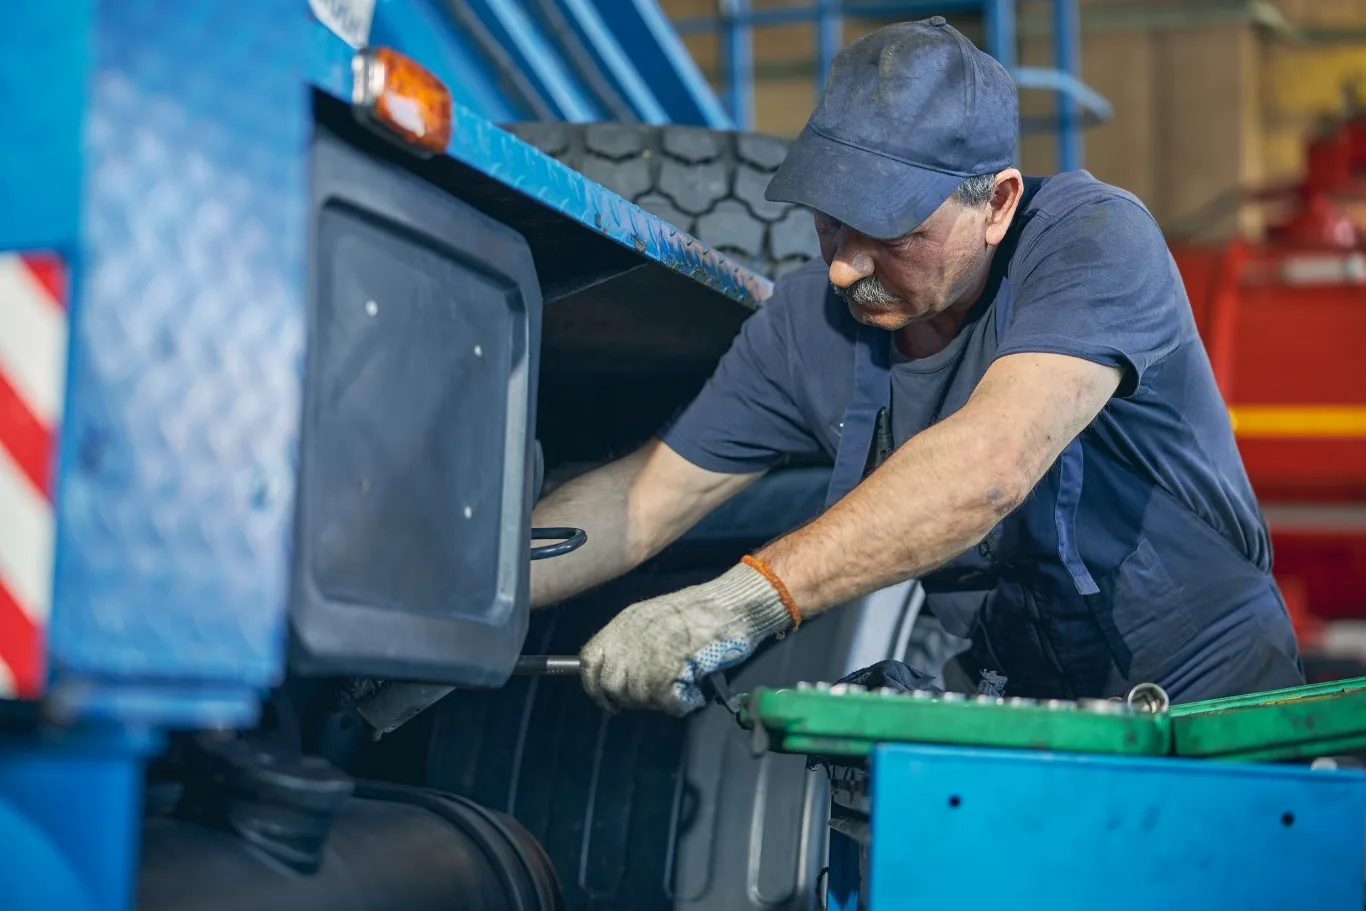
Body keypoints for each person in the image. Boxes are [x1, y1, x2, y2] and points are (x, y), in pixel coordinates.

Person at [529, 17, 1305, 716]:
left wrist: (737, 604)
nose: (842, 268)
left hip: (1214, 703)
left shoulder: (1092, 241)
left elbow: (989, 467)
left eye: (889, 232)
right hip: (1029, 711)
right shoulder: (808, 325)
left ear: (997, 203)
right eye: (830, 221)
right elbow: (643, 497)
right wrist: (480, 586)